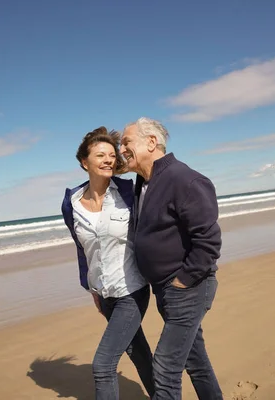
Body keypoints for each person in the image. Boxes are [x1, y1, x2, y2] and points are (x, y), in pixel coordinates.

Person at [120, 117, 223, 399]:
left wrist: (182, 282)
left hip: (188, 287)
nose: (121, 149)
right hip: (165, 289)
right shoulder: (143, 182)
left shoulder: (184, 179)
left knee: (165, 368)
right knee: (195, 361)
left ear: (151, 142)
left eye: (126, 142)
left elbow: (209, 242)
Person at [61, 127, 155, 399]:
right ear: (84, 162)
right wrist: (91, 287)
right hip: (105, 295)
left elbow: (155, 227)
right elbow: (82, 249)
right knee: (139, 354)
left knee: (103, 365)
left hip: (132, 289)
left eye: (112, 155)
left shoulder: (129, 191)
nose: (108, 160)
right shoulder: (71, 202)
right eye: (100, 155)